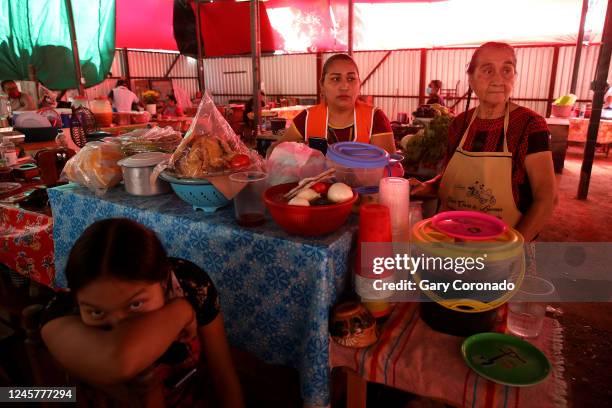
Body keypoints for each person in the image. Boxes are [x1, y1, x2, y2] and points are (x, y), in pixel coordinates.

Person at [40, 218, 244, 408]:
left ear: (163, 281)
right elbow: (120, 360)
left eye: (135, 305)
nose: (120, 324)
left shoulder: (189, 285)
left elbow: (223, 376)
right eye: (96, 312)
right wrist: (182, 311)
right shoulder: (60, 314)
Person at [411, 42, 556, 241]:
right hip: (451, 240)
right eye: (488, 70)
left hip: (502, 250)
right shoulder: (460, 123)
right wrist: (426, 186)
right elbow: (449, 179)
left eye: (507, 70)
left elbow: (546, 198)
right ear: (470, 78)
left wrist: (512, 251)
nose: (498, 79)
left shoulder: (529, 125)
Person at [269, 53, 396, 155]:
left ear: (359, 85)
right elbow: (274, 152)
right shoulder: (306, 119)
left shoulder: (376, 118)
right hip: (316, 187)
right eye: (335, 79)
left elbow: (389, 168)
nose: (344, 86)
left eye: (351, 79)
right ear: (322, 86)